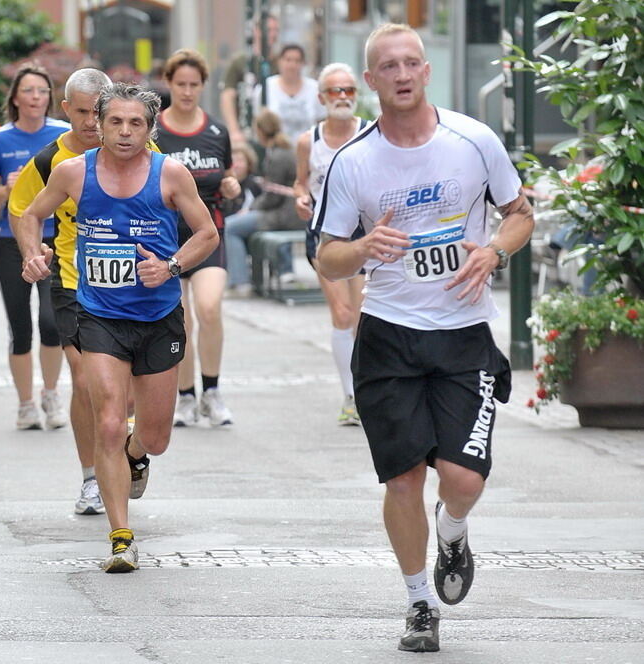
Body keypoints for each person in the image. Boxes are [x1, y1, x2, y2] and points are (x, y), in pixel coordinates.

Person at [314, 24, 534, 652]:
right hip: (388, 336)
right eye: (390, 66)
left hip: (465, 334)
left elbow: (520, 213)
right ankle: (418, 604)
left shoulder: (474, 140)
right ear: (372, 80)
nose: (403, 73)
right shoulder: (352, 160)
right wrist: (362, 247)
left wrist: (492, 252)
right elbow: (327, 258)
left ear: (426, 71)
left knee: (461, 479)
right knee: (404, 478)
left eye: (413, 62)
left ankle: (455, 531)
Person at [17, 82, 218, 572]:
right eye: (115, 122)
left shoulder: (170, 174)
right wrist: (32, 253)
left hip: (158, 316)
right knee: (107, 419)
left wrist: (170, 266)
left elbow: (208, 233)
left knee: (155, 435)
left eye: (136, 124)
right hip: (100, 314)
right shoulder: (72, 173)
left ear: (150, 130)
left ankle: (137, 454)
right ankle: (121, 537)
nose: (125, 132)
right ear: (99, 124)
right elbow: (29, 215)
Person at [8, 68, 113, 514]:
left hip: (130, 283)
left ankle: (130, 453)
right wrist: (32, 253)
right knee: (86, 378)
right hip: (72, 278)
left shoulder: (138, 147)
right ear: (65, 109)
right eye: (83, 112)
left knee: (127, 390)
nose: (93, 123)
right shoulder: (50, 160)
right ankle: (91, 477)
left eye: (99, 112)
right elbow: (21, 211)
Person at [0, 64, 69, 430]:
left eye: (42, 91)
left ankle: (50, 393)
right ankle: (25, 403)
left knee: (52, 321)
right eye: (28, 91)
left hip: (54, 238)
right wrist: (6, 188)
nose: (35, 97)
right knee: (20, 327)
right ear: (15, 98)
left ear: (50, 98)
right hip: (11, 240)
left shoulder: (64, 135)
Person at [155, 49, 240, 428]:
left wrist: (232, 184)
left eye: (194, 85)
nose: (188, 92)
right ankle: (186, 397)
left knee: (209, 307)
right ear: (169, 84)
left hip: (209, 232)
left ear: (203, 86)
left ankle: (213, 391)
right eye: (180, 84)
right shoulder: (154, 130)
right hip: (165, 237)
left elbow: (229, 176)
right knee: (182, 319)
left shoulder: (216, 132)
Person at [294, 62, 369, 425]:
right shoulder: (309, 141)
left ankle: (366, 387)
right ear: (322, 97)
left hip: (362, 231)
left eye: (349, 90)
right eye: (335, 91)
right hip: (323, 233)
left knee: (361, 316)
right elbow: (300, 182)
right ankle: (351, 397)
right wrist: (299, 198)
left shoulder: (371, 134)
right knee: (341, 313)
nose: (343, 97)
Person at [224, 109, 303, 291]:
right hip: (289, 212)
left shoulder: (277, 156)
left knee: (230, 227)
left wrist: (251, 207)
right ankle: (246, 279)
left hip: (286, 216)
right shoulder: (284, 150)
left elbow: (273, 197)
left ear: (260, 130)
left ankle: (240, 281)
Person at [220, 13, 279, 145]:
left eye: (276, 30)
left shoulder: (279, 62)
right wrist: (234, 130)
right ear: (256, 32)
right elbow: (227, 96)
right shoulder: (241, 62)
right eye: (269, 30)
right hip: (245, 131)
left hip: (271, 135)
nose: (273, 34)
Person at [253, 44, 326, 145]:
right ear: (279, 62)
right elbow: (258, 124)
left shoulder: (315, 89)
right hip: (275, 152)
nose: (292, 65)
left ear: (303, 64)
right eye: (288, 60)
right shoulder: (266, 88)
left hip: (308, 150)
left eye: (297, 61)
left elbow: (323, 122)